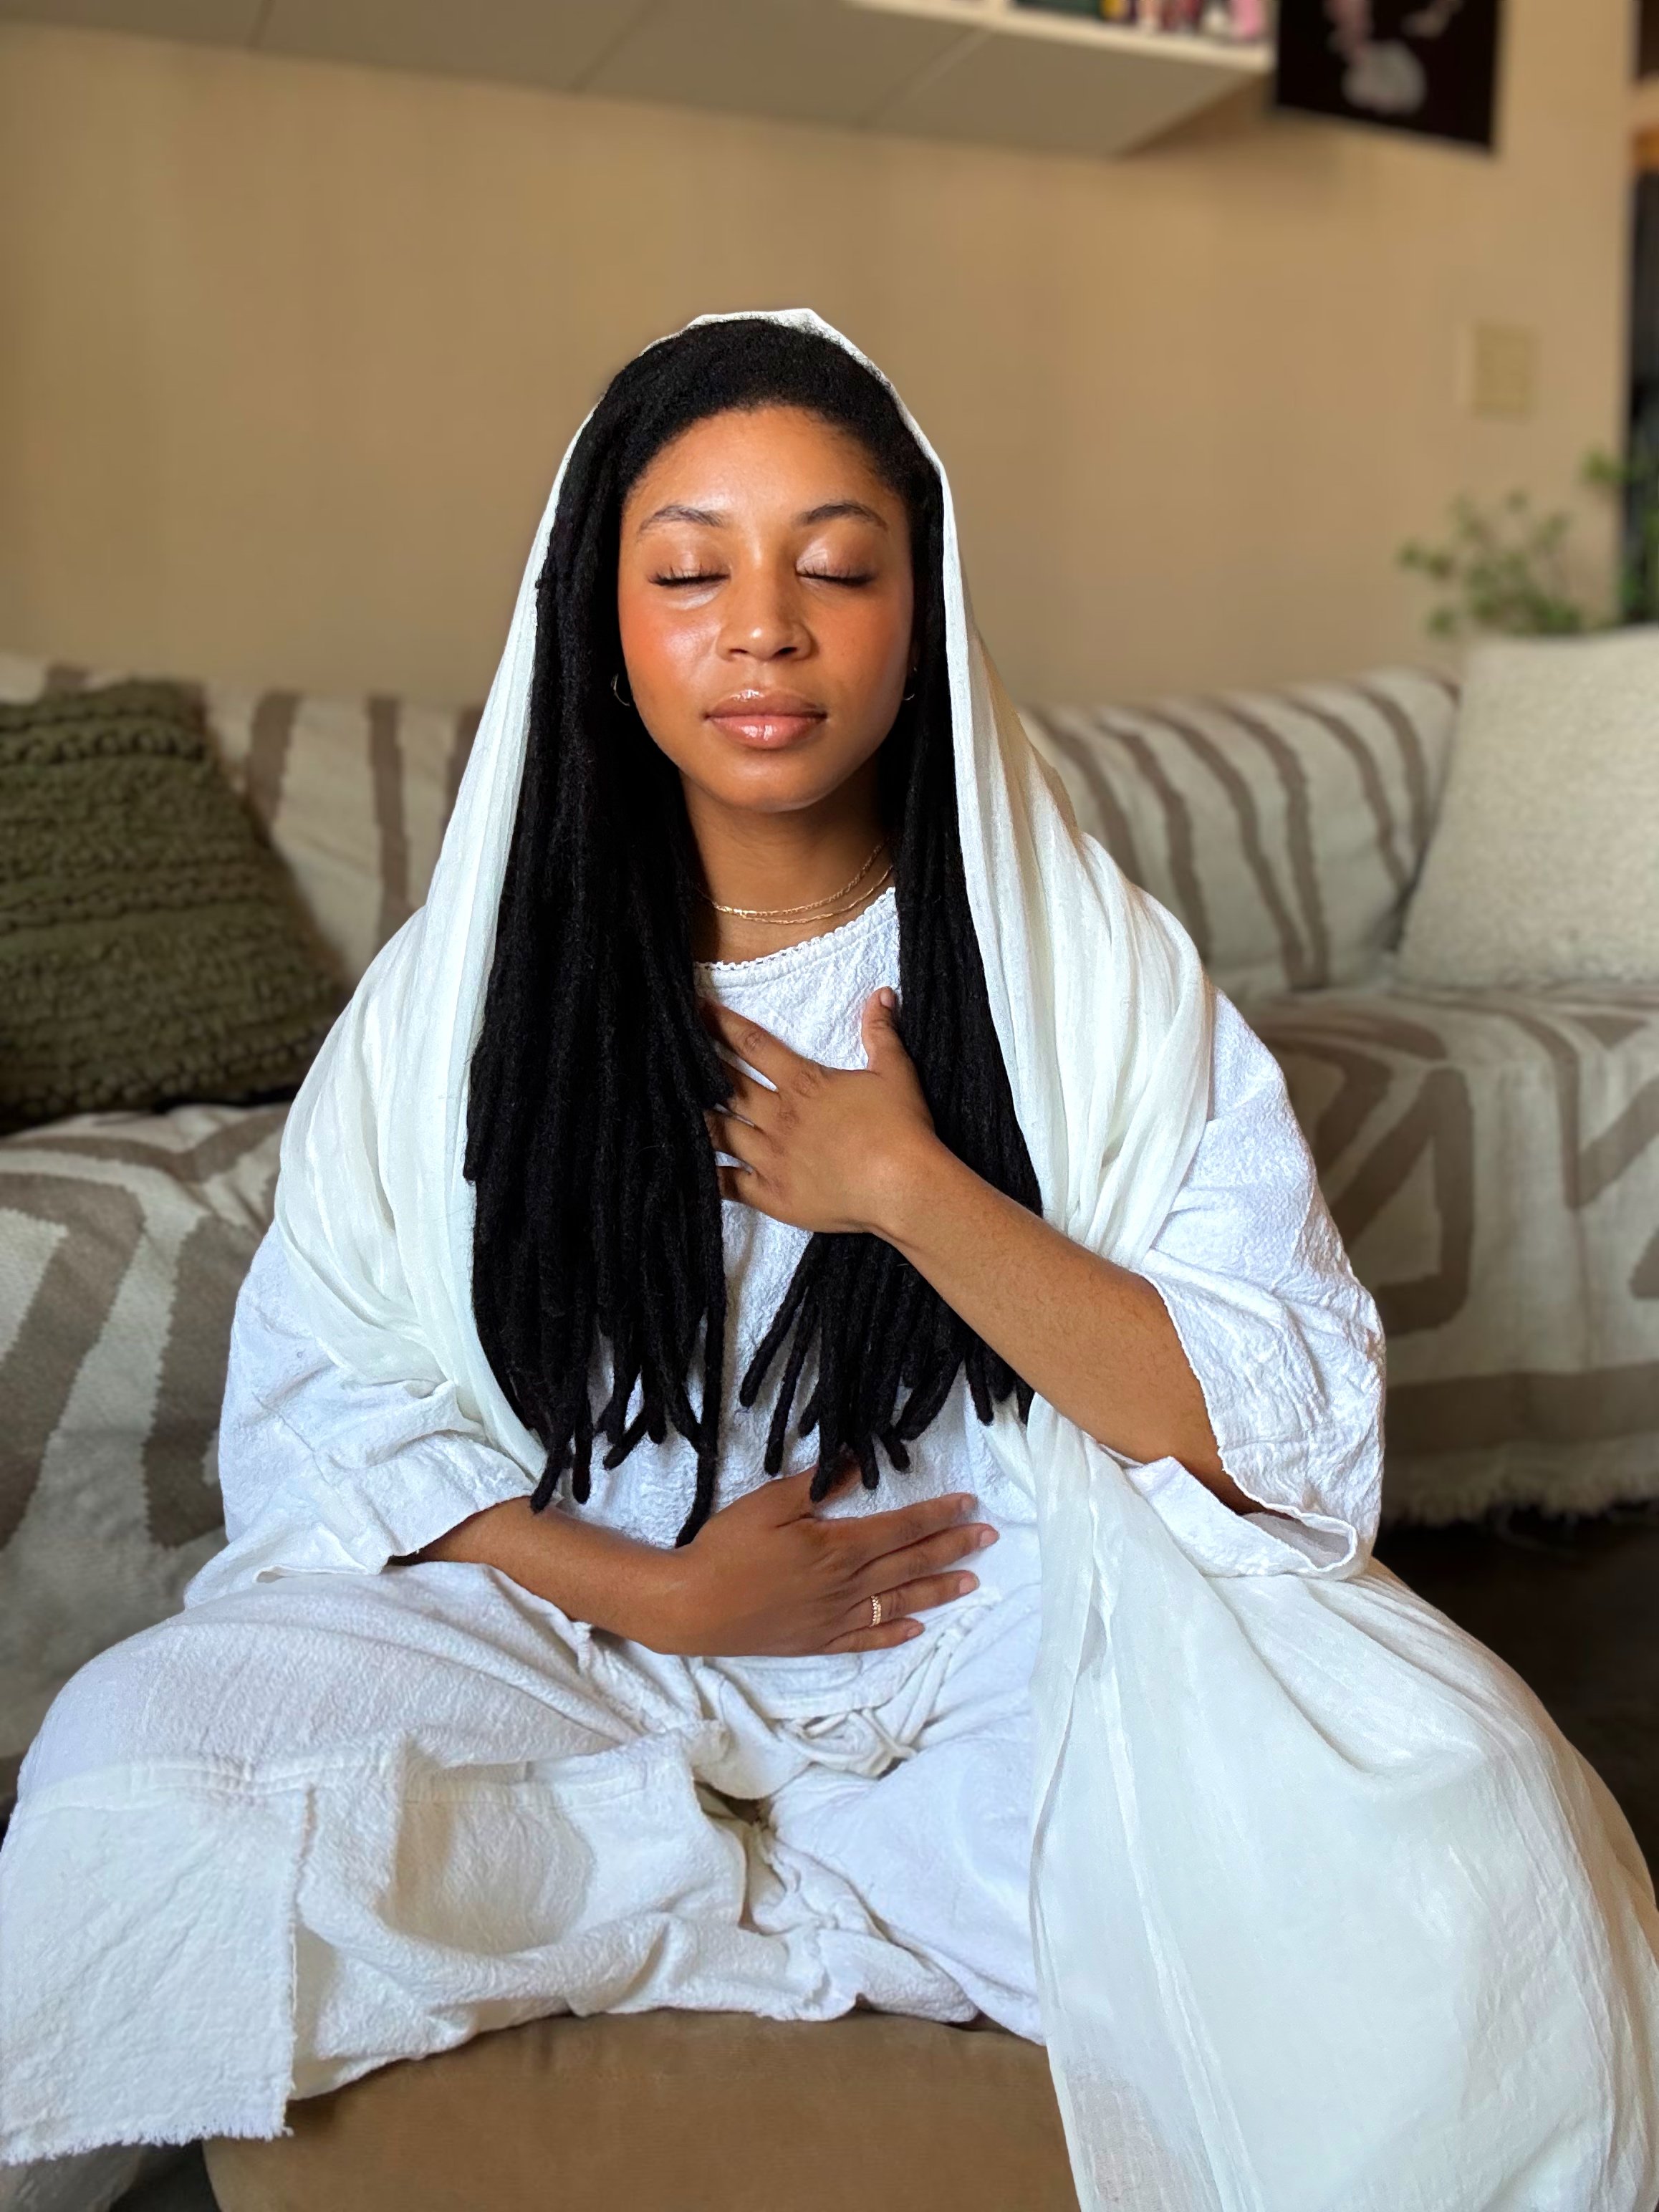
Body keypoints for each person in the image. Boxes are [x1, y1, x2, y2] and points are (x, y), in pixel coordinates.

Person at [2, 312, 1656, 2211]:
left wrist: (908, 1188)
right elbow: (333, 1404)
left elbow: (1261, 1426)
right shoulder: (464, 993)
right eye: (691, 571)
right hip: (574, 1630)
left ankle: (661, 1885)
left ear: (920, 612)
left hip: (986, 1624)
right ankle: (711, 1860)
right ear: (601, 624)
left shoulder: (1082, 963)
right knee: (136, 1761)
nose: (765, 628)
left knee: (1460, 1855)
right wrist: (669, 1594)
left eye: (837, 569)